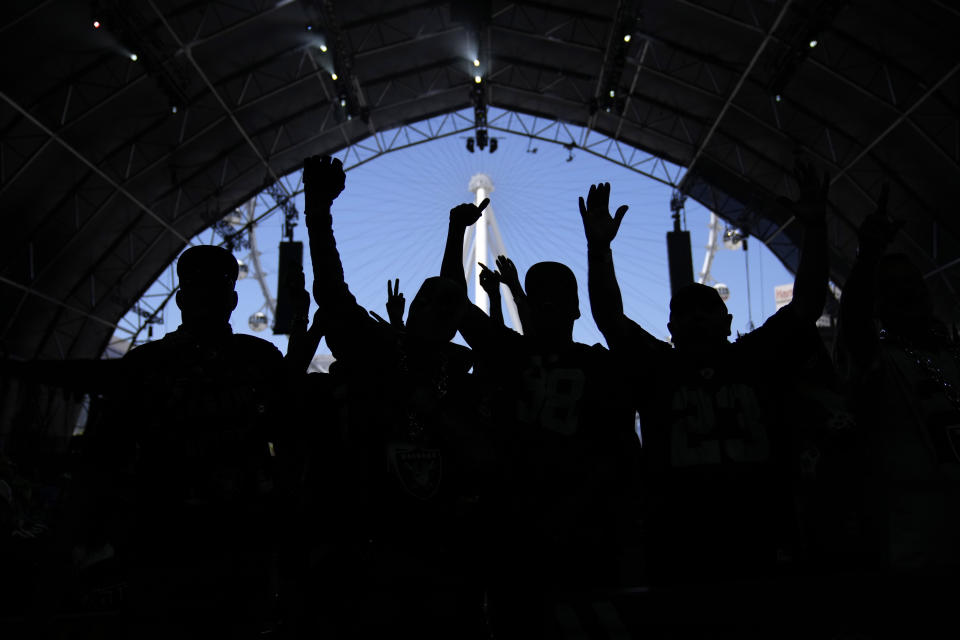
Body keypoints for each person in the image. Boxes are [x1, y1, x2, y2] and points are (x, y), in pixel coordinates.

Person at [581, 166, 830, 588]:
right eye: (686, 314)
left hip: (754, 535)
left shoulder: (750, 359)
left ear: (727, 321)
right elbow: (609, 318)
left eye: (705, 312)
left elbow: (806, 304)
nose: (696, 320)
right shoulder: (665, 367)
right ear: (672, 328)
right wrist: (598, 249)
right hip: (683, 540)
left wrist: (817, 229)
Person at [302, 155, 495, 638]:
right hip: (376, 555)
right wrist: (317, 212)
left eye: (446, 305)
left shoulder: (464, 382)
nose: (433, 307)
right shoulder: (379, 353)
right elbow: (331, 290)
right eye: (425, 300)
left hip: (446, 559)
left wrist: (457, 235)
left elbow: (486, 460)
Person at [441, 199, 639, 636]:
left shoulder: (511, 355)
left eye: (553, 298)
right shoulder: (599, 366)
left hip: (529, 535)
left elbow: (453, 301)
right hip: (571, 536)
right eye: (541, 297)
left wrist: (456, 232)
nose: (547, 306)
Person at [80, 244, 292, 638]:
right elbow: (291, 446)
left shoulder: (144, 365)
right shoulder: (260, 360)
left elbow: (103, 461)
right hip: (239, 544)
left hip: (167, 546)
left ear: (179, 298)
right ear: (234, 299)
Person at [836, 183, 960, 575]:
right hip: (915, 543)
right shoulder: (881, 362)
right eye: (895, 290)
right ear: (879, 305)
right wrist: (868, 252)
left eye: (915, 287)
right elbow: (854, 324)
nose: (911, 294)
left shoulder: (951, 356)